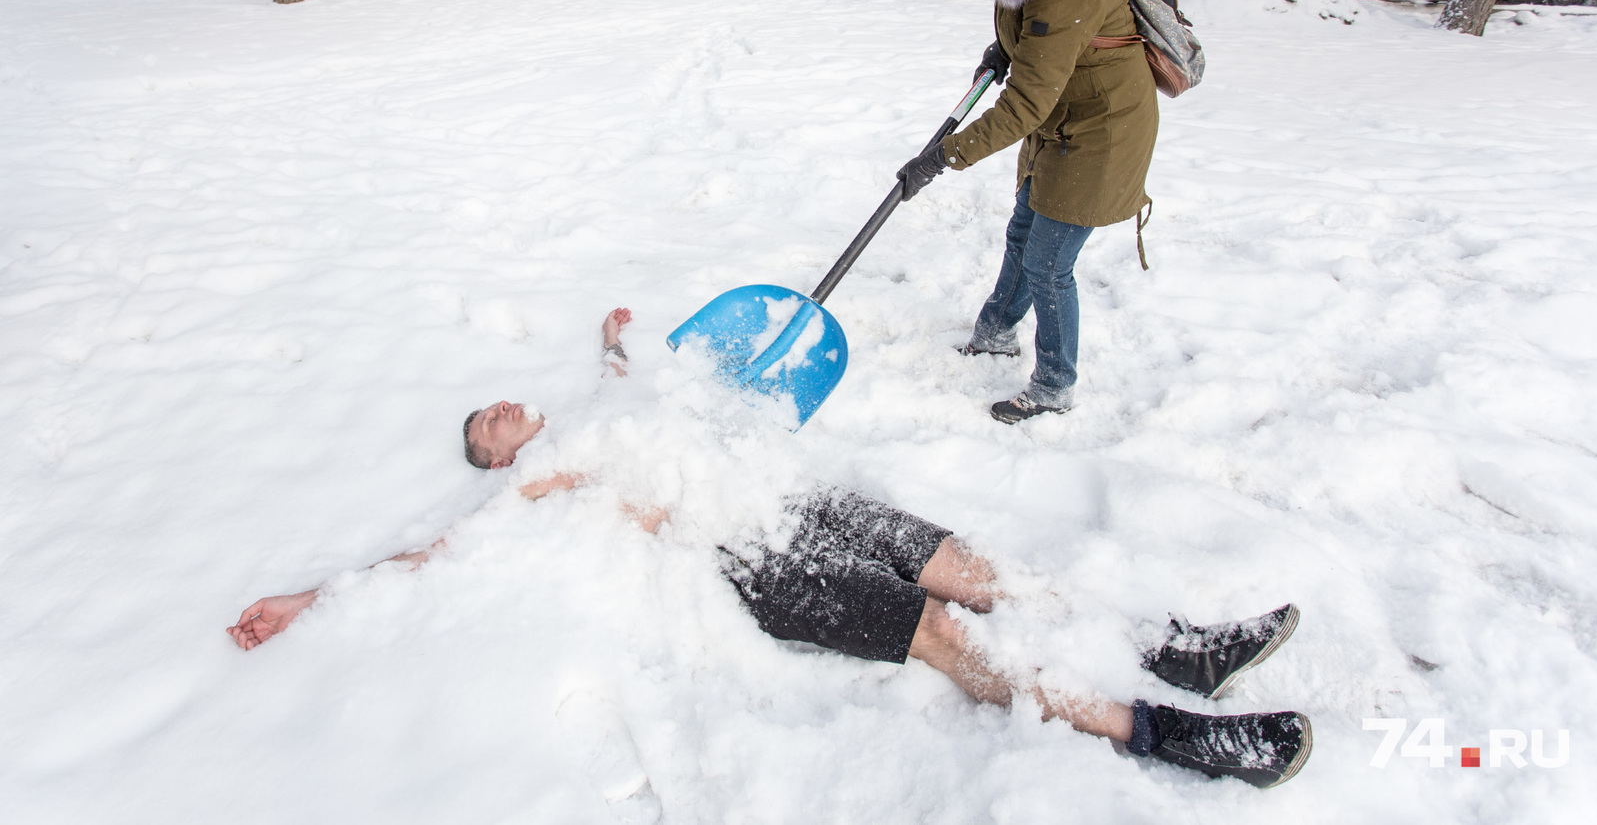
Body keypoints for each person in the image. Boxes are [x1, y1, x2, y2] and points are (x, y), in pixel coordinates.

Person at [229, 307, 1312, 787]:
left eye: (496, 406)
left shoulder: (582, 408)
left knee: (971, 570)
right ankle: (1167, 732)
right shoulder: (534, 481)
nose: (500, 411)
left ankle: (1167, 643)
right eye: (486, 425)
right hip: (749, 556)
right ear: (492, 457)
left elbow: (623, 369)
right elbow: (433, 556)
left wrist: (609, 338)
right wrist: (306, 597)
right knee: (936, 628)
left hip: (794, 496)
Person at [896, 0, 1160, 424]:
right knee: (1023, 234)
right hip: (1065, 120)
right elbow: (1050, 49)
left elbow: (1027, 102)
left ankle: (1054, 383)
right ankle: (995, 331)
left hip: (1100, 135)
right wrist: (1008, 47)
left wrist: (941, 158)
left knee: (1049, 264)